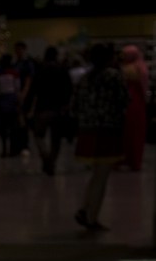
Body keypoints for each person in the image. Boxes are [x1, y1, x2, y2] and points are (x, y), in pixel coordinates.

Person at [73, 42, 129, 231]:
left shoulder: (85, 78)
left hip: (87, 129)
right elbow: (124, 100)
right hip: (107, 130)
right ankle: (91, 217)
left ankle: (85, 208)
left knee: (96, 174)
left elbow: (76, 103)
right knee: (102, 176)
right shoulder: (113, 76)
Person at [28, 46, 73, 176]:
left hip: (42, 107)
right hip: (58, 109)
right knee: (56, 139)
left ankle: (46, 157)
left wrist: (27, 107)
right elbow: (69, 88)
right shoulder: (62, 69)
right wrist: (66, 104)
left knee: (38, 135)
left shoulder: (40, 69)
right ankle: (51, 161)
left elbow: (33, 89)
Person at [119, 44, 149, 171]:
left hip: (125, 104)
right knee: (137, 134)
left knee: (124, 134)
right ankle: (135, 161)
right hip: (138, 104)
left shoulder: (124, 69)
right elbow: (144, 89)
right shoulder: (142, 68)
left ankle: (123, 159)